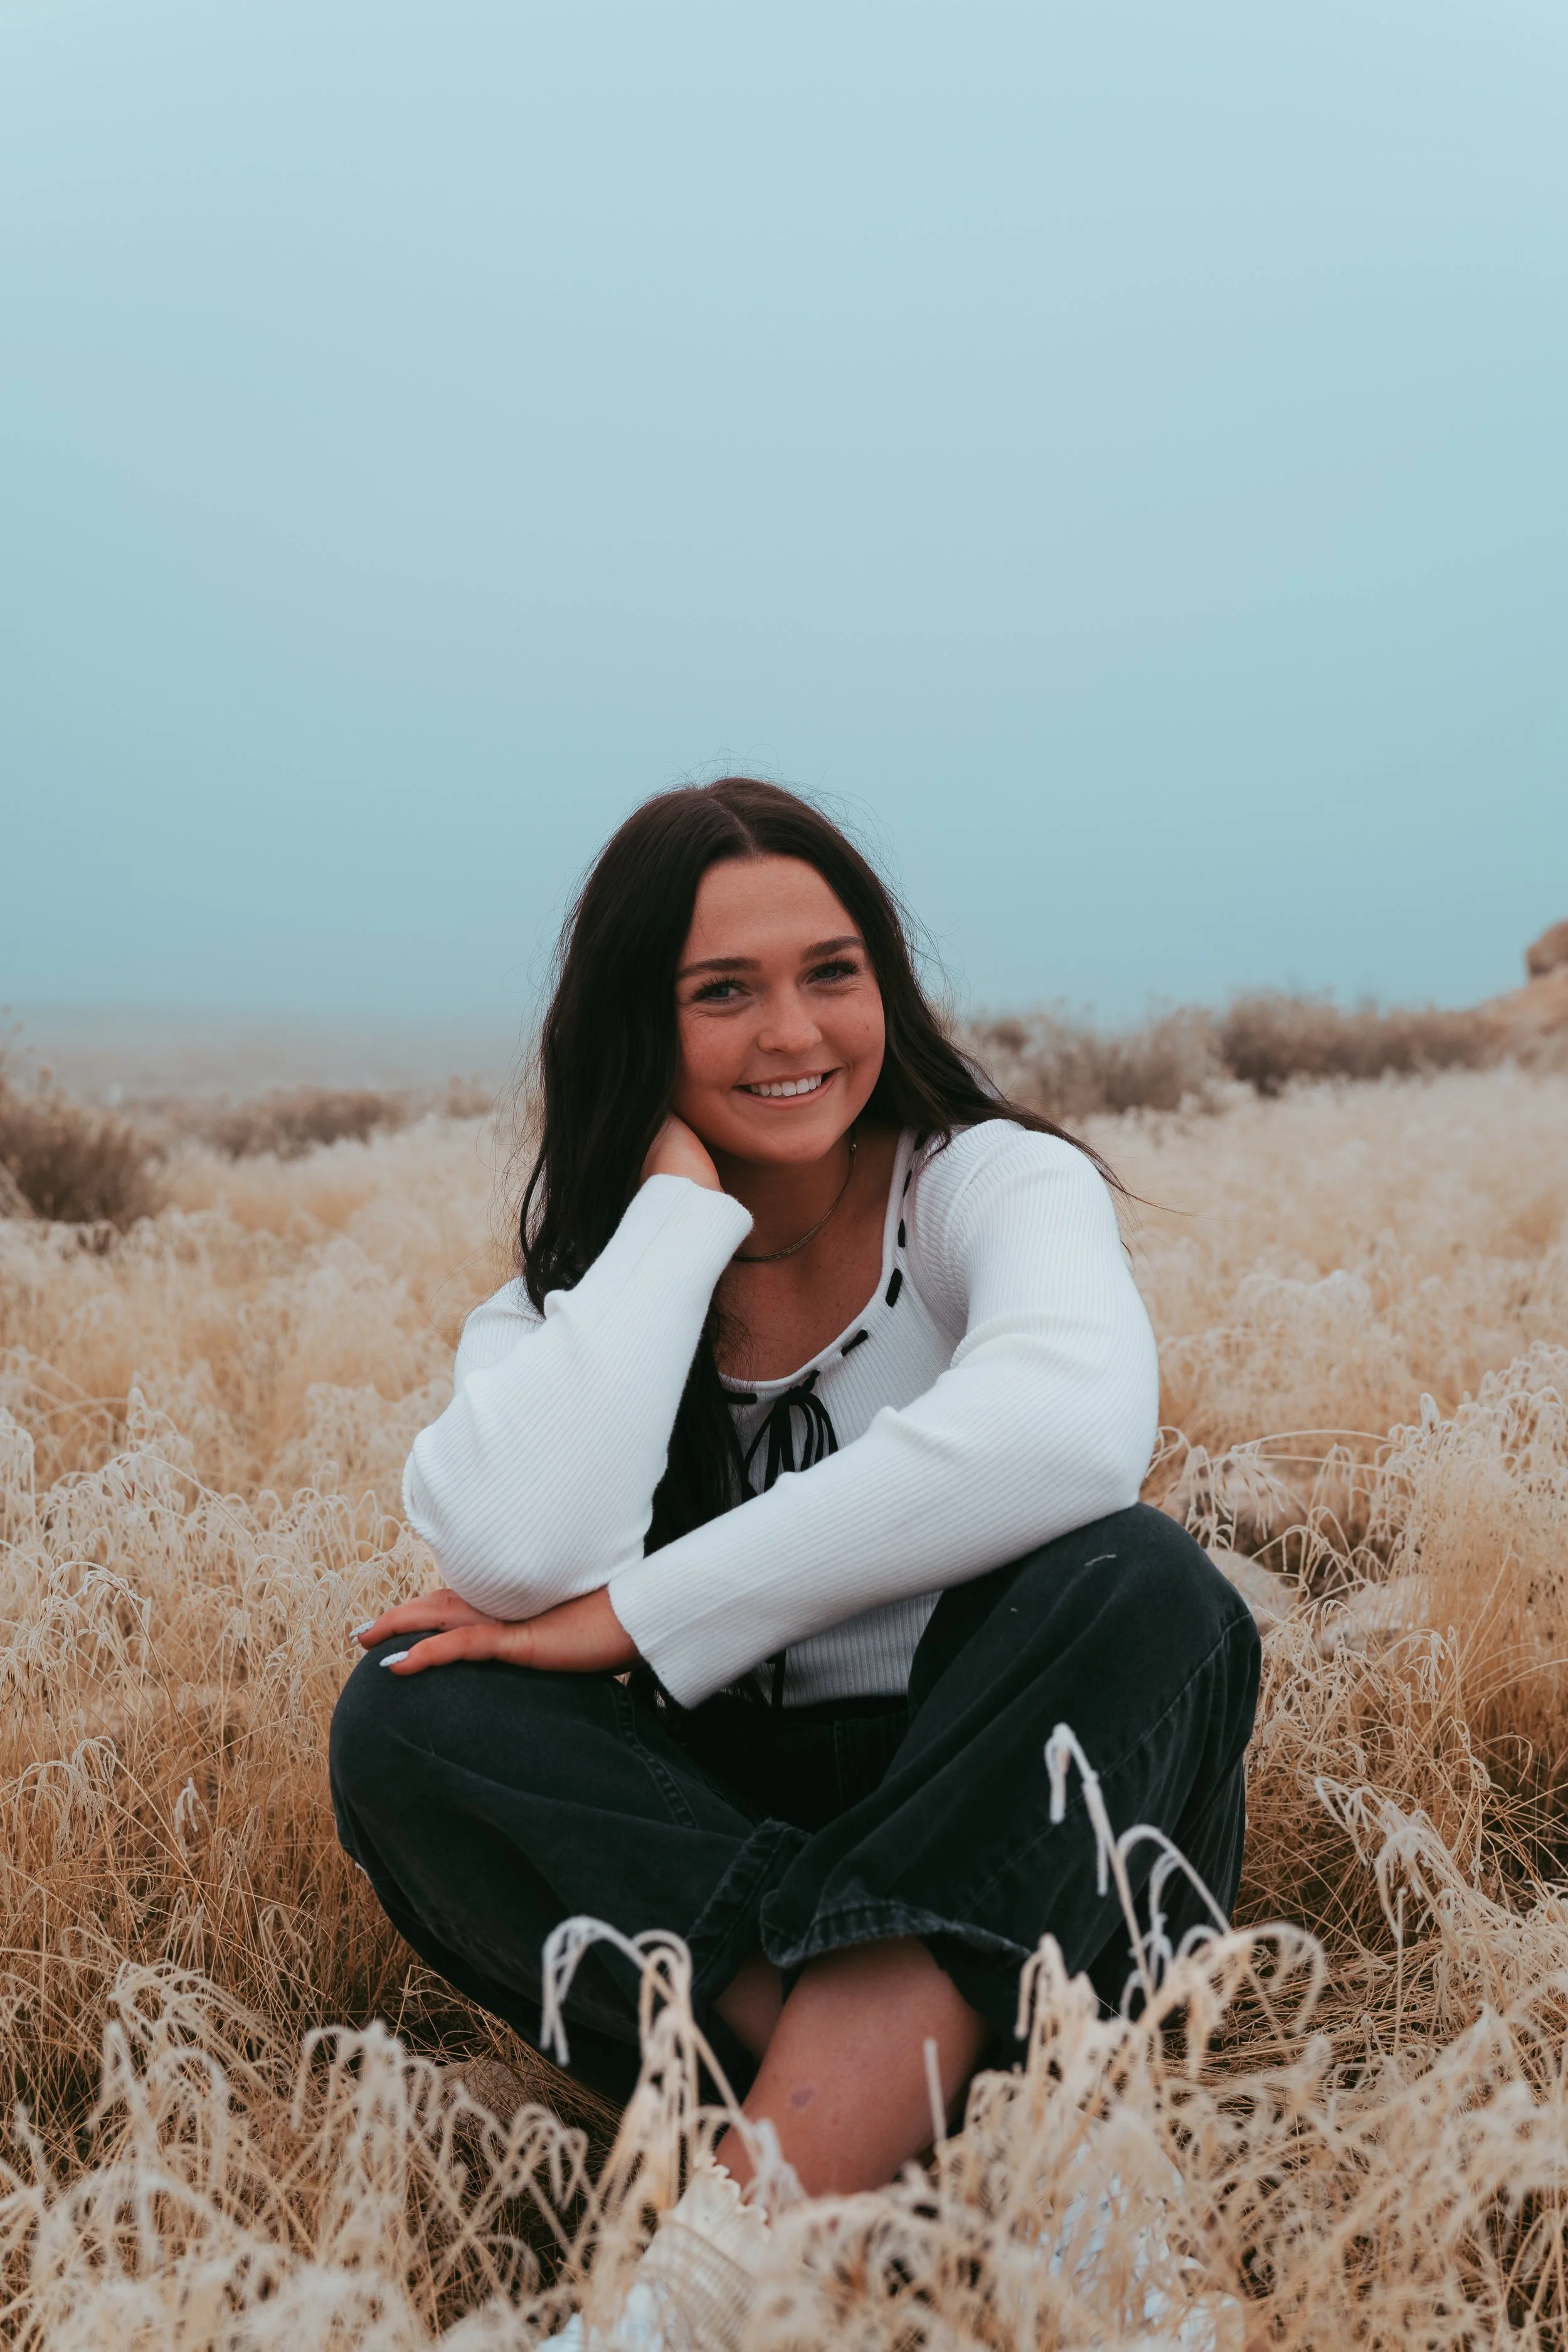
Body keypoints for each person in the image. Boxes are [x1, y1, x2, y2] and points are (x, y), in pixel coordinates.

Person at [330, 776, 1259, 2215]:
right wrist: (674, 1224)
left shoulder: (982, 1187)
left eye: (832, 974)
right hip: (732, 1831)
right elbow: (512, 1551)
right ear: (638, 1027)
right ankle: (980, 2154)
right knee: (412, 1706)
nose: (792, 1033)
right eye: (721, 993)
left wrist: (640, 1614)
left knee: (1142, 1586)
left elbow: (1072, 1432)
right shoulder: (575, 1302)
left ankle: (725, 2260)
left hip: (1026, 1785)